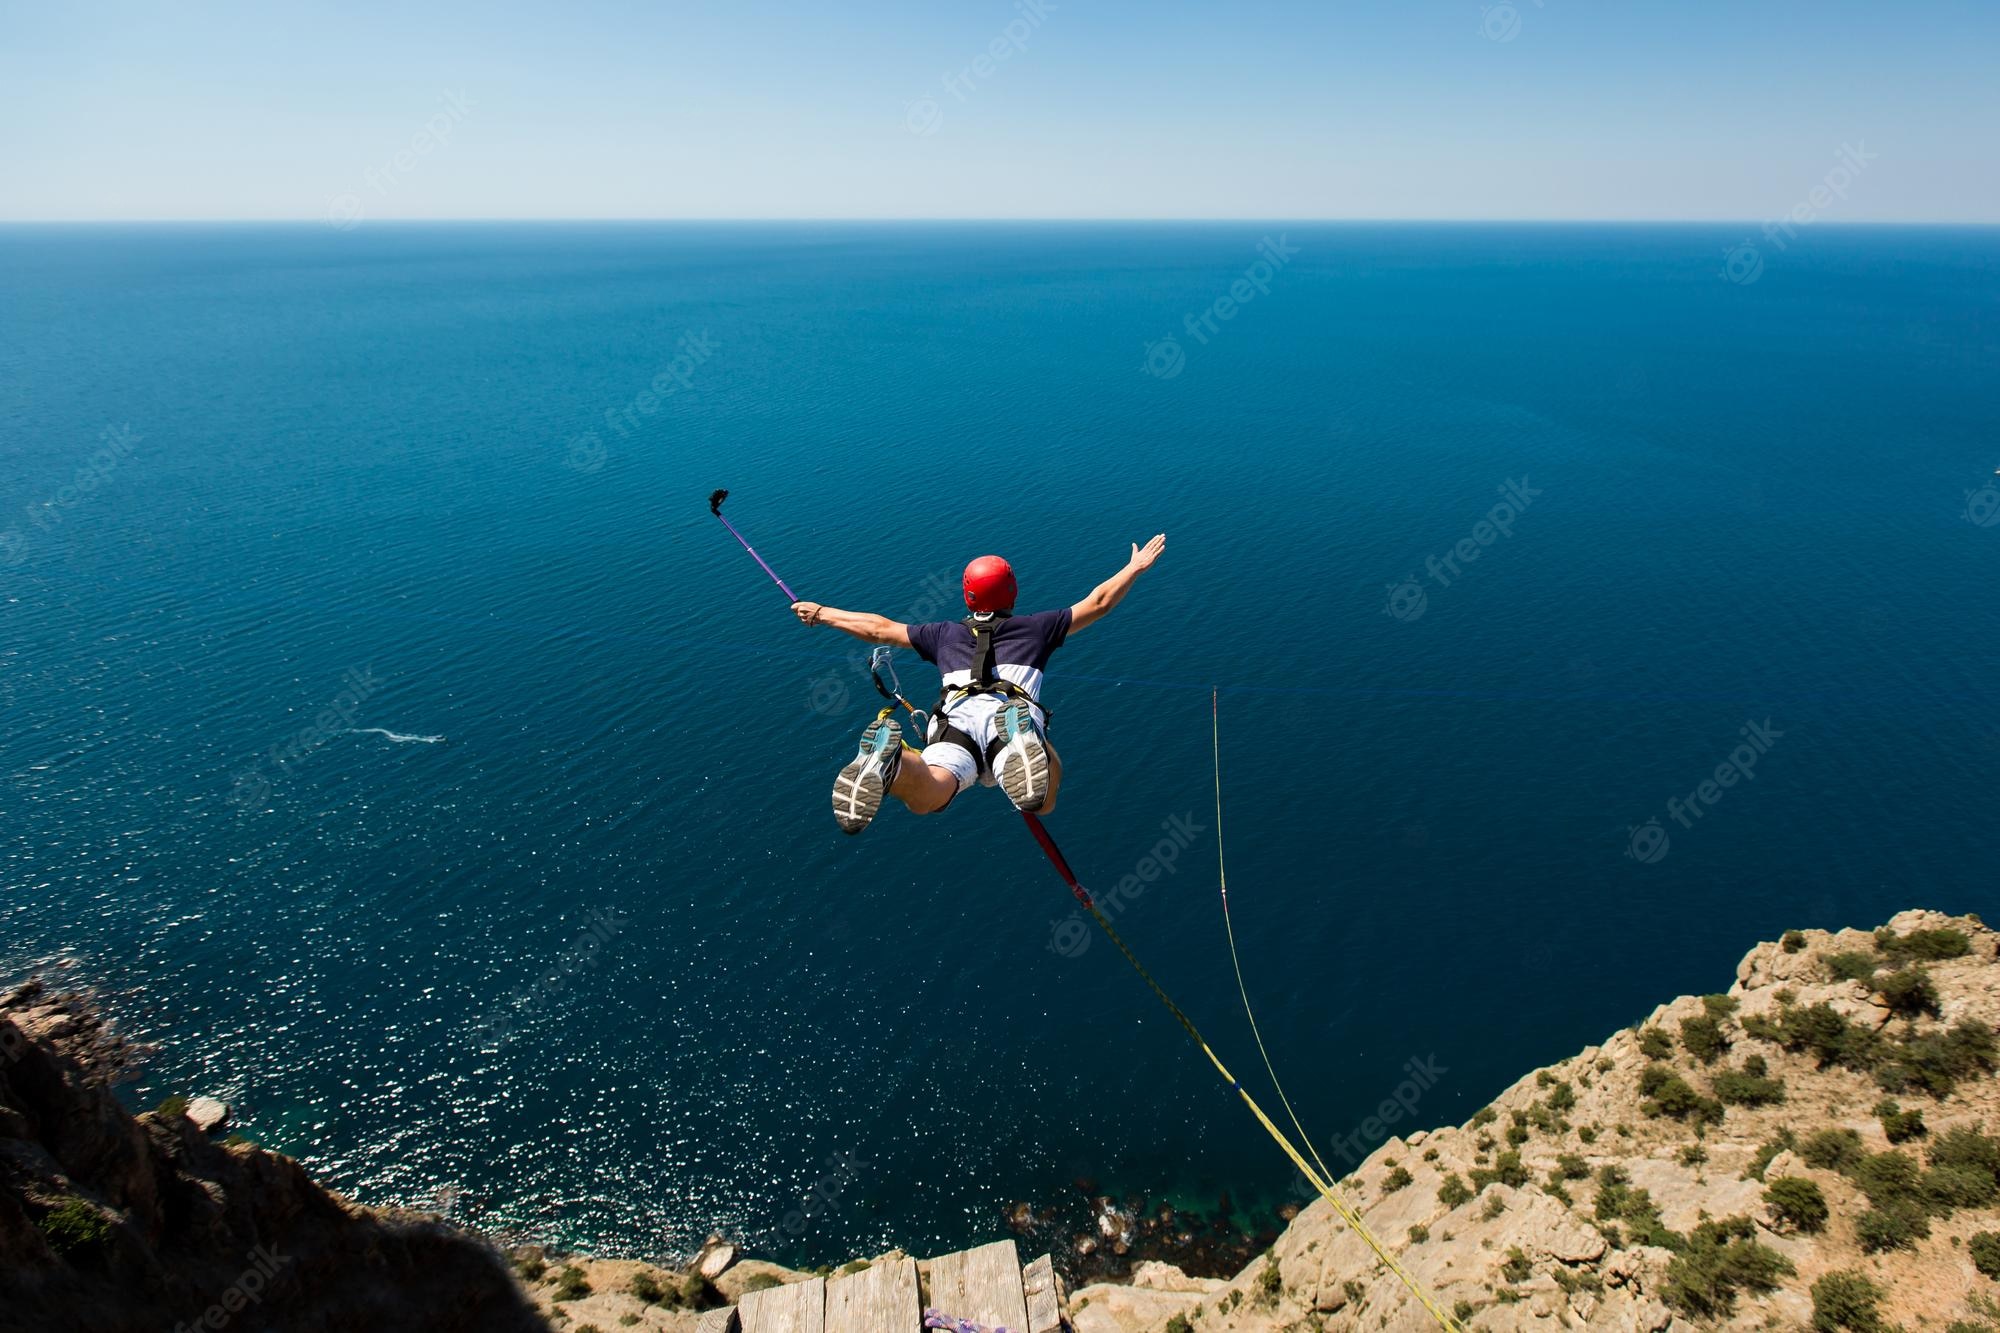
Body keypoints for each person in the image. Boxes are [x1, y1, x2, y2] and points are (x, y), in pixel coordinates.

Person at [791, 535, 1167, 834]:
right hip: (1009, 714)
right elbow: (1099, 602)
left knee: (930, 796)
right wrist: (1134, 568)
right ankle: (1026, 742)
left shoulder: (943, 633)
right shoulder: (1039, 627)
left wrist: (823, 613)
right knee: (1042, 802)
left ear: (967, 595)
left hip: (955, 724)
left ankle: (896, 764)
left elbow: (879, 628)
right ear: (1013, 592)